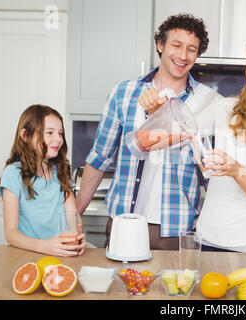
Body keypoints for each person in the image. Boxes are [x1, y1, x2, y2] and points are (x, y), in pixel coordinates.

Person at [141, 30, 246, 253]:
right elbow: (173, 133)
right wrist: (158, 112)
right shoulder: (225, 109)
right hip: (207, 241)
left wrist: (236, 170)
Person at [76, 14, 222, 250]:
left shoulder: (208, 102)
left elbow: (213, 174)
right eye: (176, 45)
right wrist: (75, 215)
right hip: (123, 223)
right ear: (160, 45)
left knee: (174, 288)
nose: (183, 56)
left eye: (192, 49)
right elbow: (99, 159)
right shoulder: (123, 93)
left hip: (176, 230)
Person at [0, 105, 86, 257]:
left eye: (60, 133)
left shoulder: (62, 171)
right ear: (25, 136)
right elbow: (11, 233)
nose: (58, 139)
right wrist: (44, 246)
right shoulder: (13, 174)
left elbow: (72, 218)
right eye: (49, 133)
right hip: (28, 255)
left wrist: (76, 237)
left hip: (61, 254)